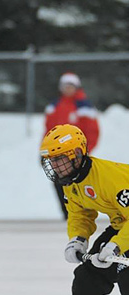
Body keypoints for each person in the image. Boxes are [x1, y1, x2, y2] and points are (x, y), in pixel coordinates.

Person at [39, 124, 129, 295]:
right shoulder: (72, 180)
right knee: (87, 278)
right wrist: (78, 238)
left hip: (126, 231)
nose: (55, 166)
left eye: (60, 159)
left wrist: (117, 245)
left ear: (78, 154)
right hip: (123, 227)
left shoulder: (113, 178)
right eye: (51, 161)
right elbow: (80, 212)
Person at [43, 72, 99, 219]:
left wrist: (85, 150)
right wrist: (44, 151)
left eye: (71, 86)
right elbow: (48, 130)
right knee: (59, 181)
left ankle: (83, 213)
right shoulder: (55, 106)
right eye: (65, 86)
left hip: (76, 153)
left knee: (79, 182)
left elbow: (92, 130)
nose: (68, 89)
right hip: (58, 154)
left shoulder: (84, 106)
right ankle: (67, 212)